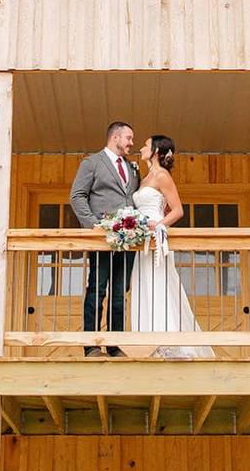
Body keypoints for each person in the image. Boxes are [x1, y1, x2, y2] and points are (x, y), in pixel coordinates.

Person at [130, 135, 213, 358]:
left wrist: (158, 226)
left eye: (146, 145)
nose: (141, 148)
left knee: (160, 284)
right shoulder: (144, 177)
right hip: (141, 241)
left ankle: (168, 344)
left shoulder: (162, 176)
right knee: (144, 286)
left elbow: (177, 210)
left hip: (156, 238)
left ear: (156, 150)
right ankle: (147, 343)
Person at [69, 121, 140, 357]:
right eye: (128, 138)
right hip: (102, 239)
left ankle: (114, 344)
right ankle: (91, 345)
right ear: (115, 138)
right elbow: (77, 196)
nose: (131, 143)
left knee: (120, 292)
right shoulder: (92, 163)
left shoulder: (132, 168)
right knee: (97, 289)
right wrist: (93, 226)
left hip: (128, 240)